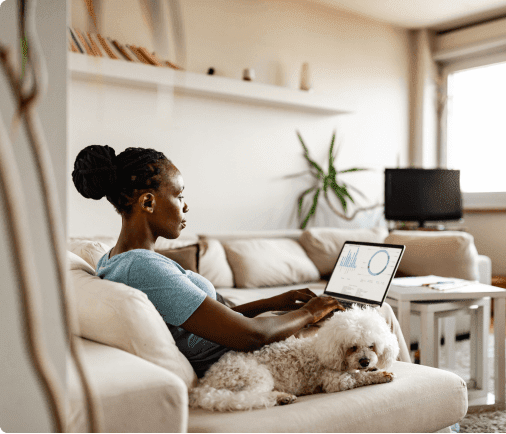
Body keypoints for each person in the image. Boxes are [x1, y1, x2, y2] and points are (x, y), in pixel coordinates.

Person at [72, 145, 410, 379]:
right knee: (377, 314)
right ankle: (424, 409)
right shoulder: (143, 268)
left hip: (232, 343)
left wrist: (274, 302)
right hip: (242, 356)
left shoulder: (114, 259)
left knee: (357, 311)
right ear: (148, 202)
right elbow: (249, 336)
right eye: (179, 195)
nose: (185, 207)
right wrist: (311, 312)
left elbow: (213, 318)